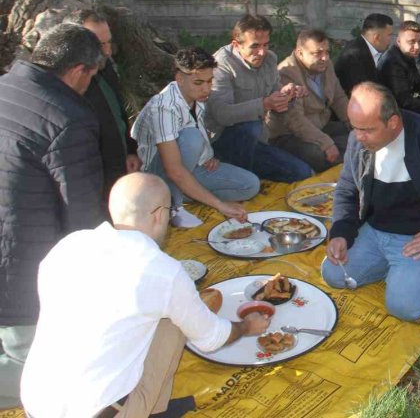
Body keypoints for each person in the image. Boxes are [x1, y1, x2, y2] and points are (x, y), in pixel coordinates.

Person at [20, 173, 271, 418]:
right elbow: (212, 337)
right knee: (175, 322)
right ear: (159, 215)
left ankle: (148, 405)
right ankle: (150, 410)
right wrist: (247, 326)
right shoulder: (160, 270)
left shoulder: (68, 245)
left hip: (36, 405)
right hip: (100, 413)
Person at [0, 23, 106, 409]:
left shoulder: (5, 87)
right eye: (92, 77)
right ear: (80, 70)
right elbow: (83, 216)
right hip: (22, 261)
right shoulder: (67, 117)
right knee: (42, 373)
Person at [322, 82, 420, 322]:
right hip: (376, 230)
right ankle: (397, 269)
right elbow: (347, 189)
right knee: (332, 273)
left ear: (393, 123)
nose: (358, 136)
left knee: (404, 307)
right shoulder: (359, 140)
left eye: (366, 129)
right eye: (354, 127)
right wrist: (341, 232)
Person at [132, 47, 260, 228]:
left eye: (209, 81)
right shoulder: (163, 107)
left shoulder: (196, 96)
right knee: (192, 138)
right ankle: (174, 206)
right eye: (199, 83)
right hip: (157, 174)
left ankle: (186, 193)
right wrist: (220, 205)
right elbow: (174, 169)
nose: (206, 89)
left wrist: (207, 156)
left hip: (190, 166)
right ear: (179, 79)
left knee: (250, 185)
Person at [206, 14, 313, 184]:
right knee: (252, 125)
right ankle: (239, 179)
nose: (262, 52)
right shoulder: (220, 65)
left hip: (255, 142)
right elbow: (222, 114)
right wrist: (264, 104)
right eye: (255, 46)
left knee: (303, 173)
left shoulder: (270, 58)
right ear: (236, 45)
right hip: (220, 144)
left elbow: (275, 91)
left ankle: (247, 177)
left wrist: (287, 93)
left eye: (265, 45)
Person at [63, 10, 142, 200]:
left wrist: (131, 151)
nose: (107, 51)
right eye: (100, 45)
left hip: (120, 168)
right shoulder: (71, 85)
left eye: (109, 43)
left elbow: (119, 113)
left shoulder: (107, 68)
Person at [269, 29, 351, 173]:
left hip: (321, 126)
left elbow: (339, 97)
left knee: (358, 136)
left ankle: (346, 156)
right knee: (317, 155)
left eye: (327, 52)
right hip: (290, 135)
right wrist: (326, 143)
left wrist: (354, 122)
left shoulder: (326, 65)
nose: (325, 57)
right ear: (300, 52)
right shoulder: (286, 73)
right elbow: (295, 120)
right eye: (317, 53)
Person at [334, 13, 394, 95]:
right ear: (377, 37)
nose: (390, 40)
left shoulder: (370, 50)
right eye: (389, 35)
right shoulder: (353, 56)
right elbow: (362, 94)